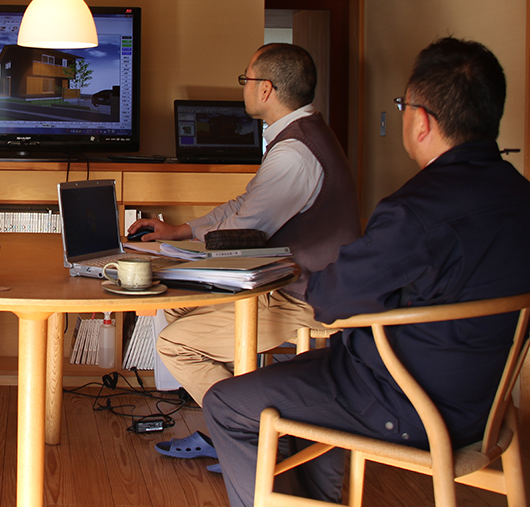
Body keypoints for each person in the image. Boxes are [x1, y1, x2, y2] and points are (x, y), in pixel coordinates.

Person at [203, 37, 530, 507]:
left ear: (422, 121)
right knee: (298, 380)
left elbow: (332, 301)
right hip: (486, 404)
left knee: (227, 403)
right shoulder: (520, 197)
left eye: (402, 106)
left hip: (406, 404)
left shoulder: (414, 211)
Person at [127, 43, 360, 461]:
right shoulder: (298, 136)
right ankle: (242, 416)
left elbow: (244, 230)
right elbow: (244, 204)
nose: (244, 87)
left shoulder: (294, 153)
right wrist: (179, 230)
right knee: (177, 304)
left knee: (173, 345)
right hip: (293, 281)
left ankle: (249, 437)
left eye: (246, 79)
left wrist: (169, 253)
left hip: (304, 297)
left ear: (266, 89)